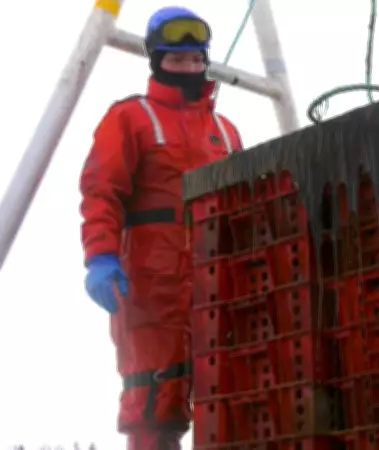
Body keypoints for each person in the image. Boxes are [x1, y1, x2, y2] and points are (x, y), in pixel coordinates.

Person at [79, 6, 243, 449]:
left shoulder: (226, 132)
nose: (188, 67)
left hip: (219, 286)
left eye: (195, 60)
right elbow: (101, 192)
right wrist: (101, 256)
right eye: (176, 59)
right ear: (156, 61)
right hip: (150, 291)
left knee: (232, 399)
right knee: (155, 407)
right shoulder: (130, 119)